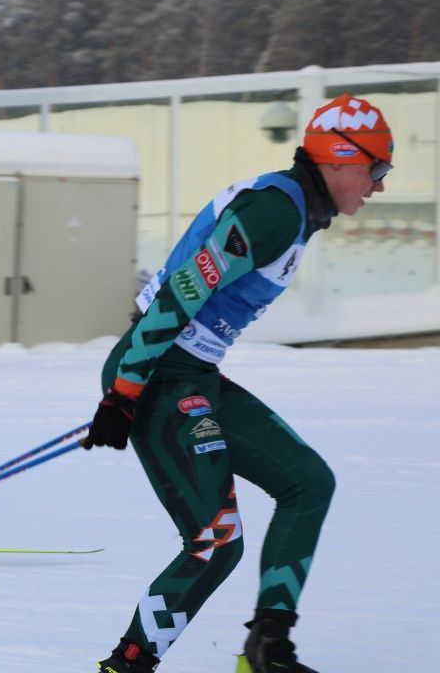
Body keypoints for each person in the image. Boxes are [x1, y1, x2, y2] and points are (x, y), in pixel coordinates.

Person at [83, 94, 394, 673]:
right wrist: (125, 392)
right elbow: (181, 291)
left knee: (307, 482)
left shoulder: (297, 210)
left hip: (191, 371)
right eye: (377, 170)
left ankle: (267, 648)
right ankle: (127, 663)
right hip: (158, 369)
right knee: (215, 541)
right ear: (343, 160)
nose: (378, 186)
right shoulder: (273, 212)